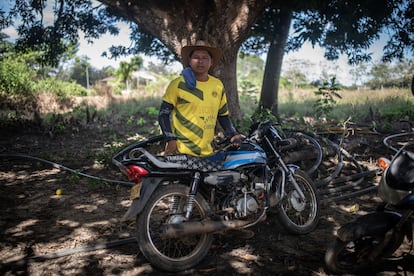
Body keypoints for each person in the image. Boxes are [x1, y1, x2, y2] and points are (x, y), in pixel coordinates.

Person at [158, 41, 243, 157]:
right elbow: (163, 114)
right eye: (196, 57)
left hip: (207, 152)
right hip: (180, 151)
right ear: (189, 60)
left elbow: (222, 115)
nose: (200, 61)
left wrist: (233, 134)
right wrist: (170, 139)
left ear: (211, 62)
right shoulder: (178, 84)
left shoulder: (217, 85)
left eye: (205, 58)